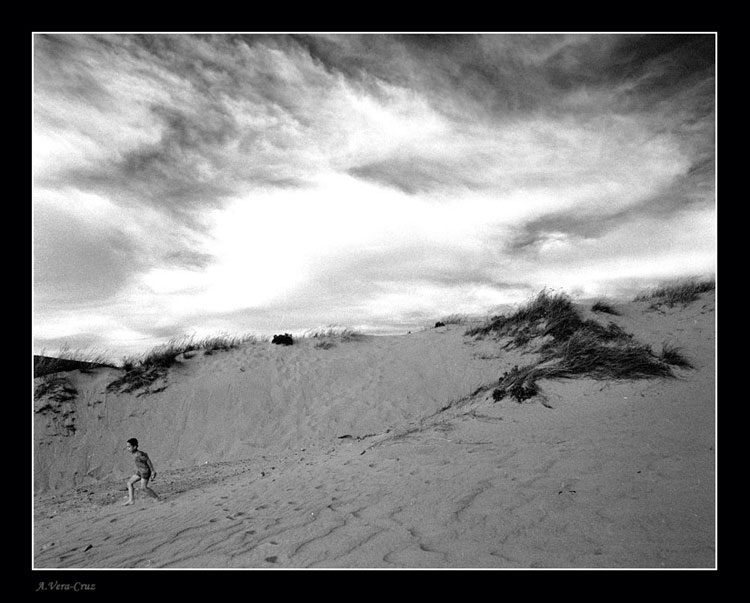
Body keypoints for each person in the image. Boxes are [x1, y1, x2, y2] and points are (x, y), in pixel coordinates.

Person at [122, 438, 159, 505]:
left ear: (135, 447)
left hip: (145, 472)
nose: (128, 448)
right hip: (140, 471)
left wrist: (153, 471)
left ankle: (156, 498)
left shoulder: (139, 454)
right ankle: (131, 500)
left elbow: (147, 460)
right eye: (127, 447)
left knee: (143, 488)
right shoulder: (134, 453)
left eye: (129, 447)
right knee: (129, 483)